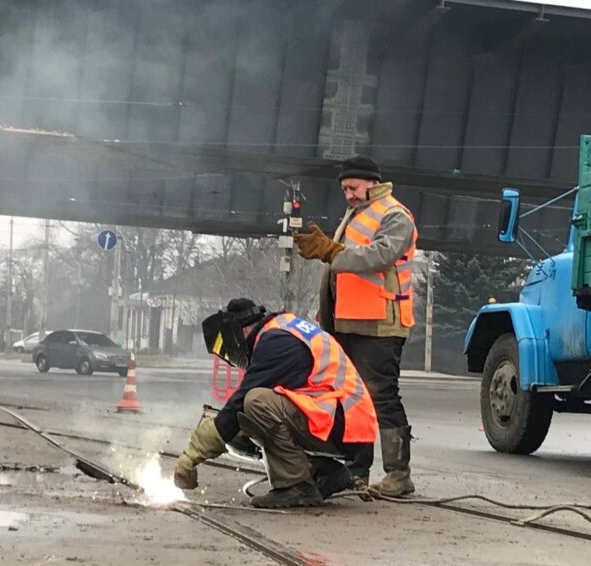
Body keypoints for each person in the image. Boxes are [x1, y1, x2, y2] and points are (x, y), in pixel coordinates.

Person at [173, 298, 378, 509]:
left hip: (346, 425)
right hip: (343, 422)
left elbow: (241, 402)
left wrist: (192, 454)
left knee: (256, 403)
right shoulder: (282, 329)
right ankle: (322, 472)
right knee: (241, 427)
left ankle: (296, 486)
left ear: (241, 332)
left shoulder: (276, 342)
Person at [294, 155, 418, 497]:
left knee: (382, 396)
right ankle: (354, 471)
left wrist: (332, 252)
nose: (347, 194)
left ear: (372, 183)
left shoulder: (395, 215)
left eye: (352, 187)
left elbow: (379, 256)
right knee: (352, 400)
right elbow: (340, 274)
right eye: (344, 189)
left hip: (380, 324)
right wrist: (328, 317)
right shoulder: (357, 214)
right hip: (350, 323)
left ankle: (398, 475)